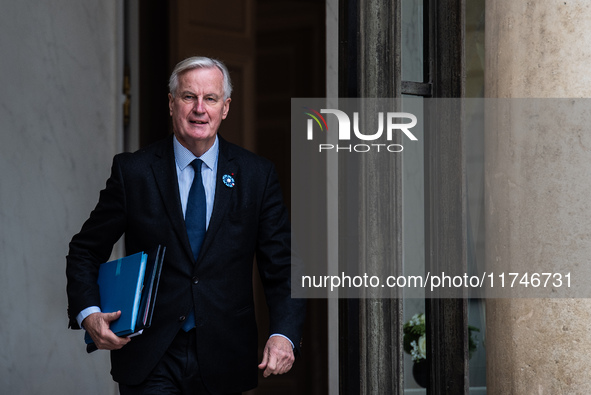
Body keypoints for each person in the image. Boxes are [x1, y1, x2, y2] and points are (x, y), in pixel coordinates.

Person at [66, 56, 306, 394]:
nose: (199, 109)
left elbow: (283, 266)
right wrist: (89, 313)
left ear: (225, 108)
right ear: (171, 103)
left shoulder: (256, 176)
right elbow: (85, 251)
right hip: (150, 355)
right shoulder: (134, 172)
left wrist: (284, 334)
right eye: (188, 96)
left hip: (226, 356)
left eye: (210, 98)